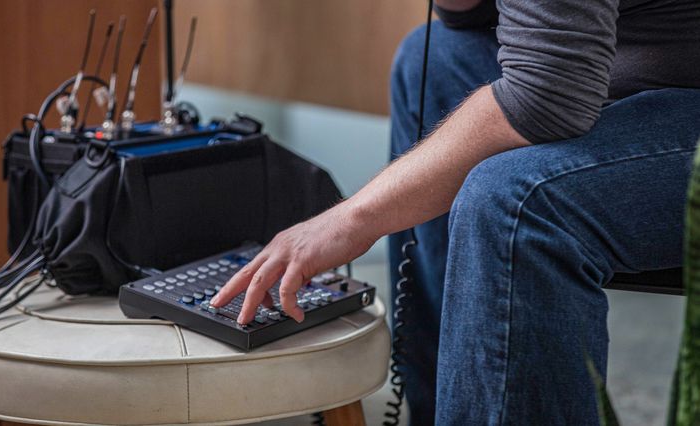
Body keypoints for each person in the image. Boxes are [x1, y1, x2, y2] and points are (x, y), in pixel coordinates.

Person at [211, 0, 700, 423]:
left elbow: (546, 97)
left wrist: (348, 219)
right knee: (434, 60)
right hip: (638, 66)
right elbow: (475, 18)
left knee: (515, 203)